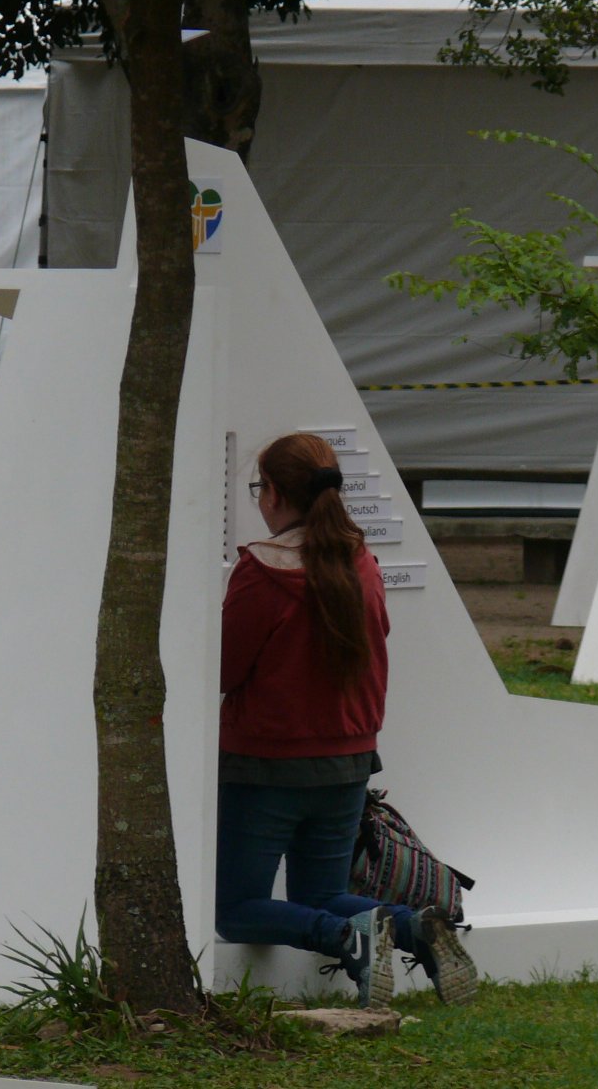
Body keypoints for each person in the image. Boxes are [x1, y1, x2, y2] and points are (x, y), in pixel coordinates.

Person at [217, 432, 476, 1009]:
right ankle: (413, 928)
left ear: (277, 494)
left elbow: (225, 670)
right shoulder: (361, 562)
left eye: (261, 489)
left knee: (234, 909)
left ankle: (346, 938)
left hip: (265, 764)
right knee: (323, 889)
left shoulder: (262, 572)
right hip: (350, 759)